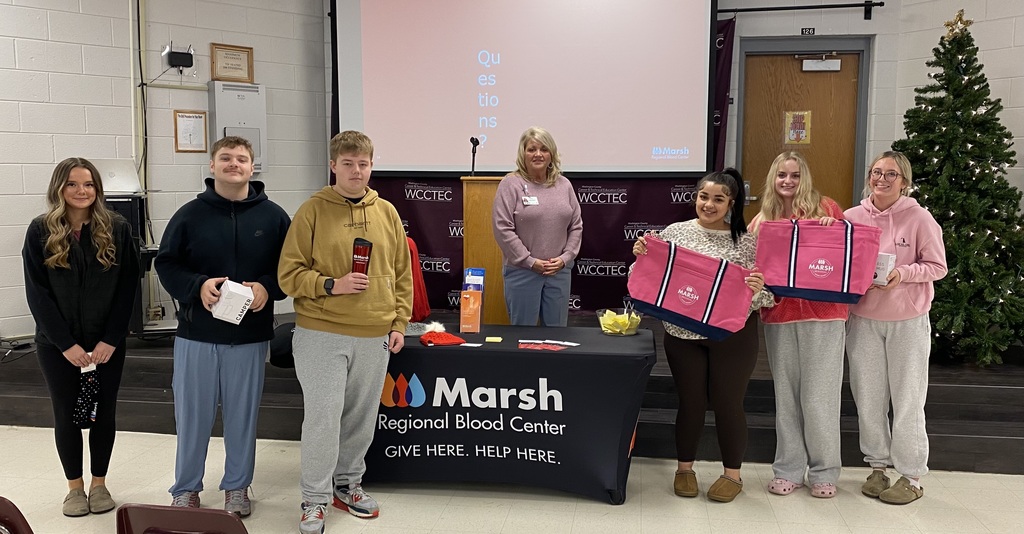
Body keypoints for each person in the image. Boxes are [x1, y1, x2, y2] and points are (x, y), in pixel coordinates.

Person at [278, 130, 412, 534]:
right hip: (323, 332)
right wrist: (331, 284)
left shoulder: (387, 212)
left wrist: (399, 321)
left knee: (360, 418)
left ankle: (348, 485)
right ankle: (313, 499)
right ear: (334, 165)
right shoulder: (312, 211)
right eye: (348, 164)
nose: (357, 171)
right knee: (323, 417)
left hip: (375, 334)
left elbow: (403, 274)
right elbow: (288, 275)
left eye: (364, 164)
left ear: (372, 166)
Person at [155, 136, 290, 516]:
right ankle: (185, 489)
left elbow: (290, 268)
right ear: (212, 166)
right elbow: (166, 264)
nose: (234, 164)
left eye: (242, 159)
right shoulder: (188, 214)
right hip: (197, 334)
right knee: (192, 415)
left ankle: (237, 487)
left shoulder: (274, 216)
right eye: (226, 158)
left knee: (242, 416)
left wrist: (268, 286)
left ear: (252, 167)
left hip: (248, 337)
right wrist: (198, 287)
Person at [631, 169, 774, 503]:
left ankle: (732, 475)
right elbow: (646, 278)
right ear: (695, 197)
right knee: (691, 404)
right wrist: (640, 256)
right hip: (682, 335)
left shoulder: (747, 242)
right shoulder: (674, 233)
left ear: (731, 204)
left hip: (733, 337)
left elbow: (768, 295)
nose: (709, 205)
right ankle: (684, 469)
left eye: (718, 199)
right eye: (703, 197)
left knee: (728, 404)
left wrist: (758, 289)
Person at [22, 157, 140, 517]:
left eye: (88, 184)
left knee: (102, 414)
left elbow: (127, 288)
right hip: (58, 346)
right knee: (67, 415)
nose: (81, 191)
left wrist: (111, 339)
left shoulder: (116, 228)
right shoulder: (40, 230)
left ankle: (99, 483)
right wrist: (66, 345)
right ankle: (74, 488)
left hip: (106, 345)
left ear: (97, 189)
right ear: (59, 188)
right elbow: (37, 294)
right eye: (72, 184)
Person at [843, 151, 947, 505]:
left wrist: (902, 274)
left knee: (907, 399)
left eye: (891, 174)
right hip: (864, 318)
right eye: (876, 172)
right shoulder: (852, 218)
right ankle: (877, 466)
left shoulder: (920, 218)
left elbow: (937, 266)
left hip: (907, 319)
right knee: (868, 397)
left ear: (904, 181)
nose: (882, 179)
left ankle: (912, 475)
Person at [748, 151, 846, 499]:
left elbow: (847, 254)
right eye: (781, 175)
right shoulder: (762, 220)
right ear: (773, 180)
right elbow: (750, 266)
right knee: (786, 396)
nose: (787, 182)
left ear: (804, 177)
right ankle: (789, 468)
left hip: (824, 316)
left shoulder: (828, 209)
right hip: (779, 315)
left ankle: (824, 471)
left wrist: (834, 231)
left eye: (794, 175)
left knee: (820, 397)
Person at [492, 127, 583, 326]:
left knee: (556, 336)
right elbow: (502, 228)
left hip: (558, 272)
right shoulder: (510, 184)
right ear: (523, 154)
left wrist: (565, 258)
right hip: (523, 272)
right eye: (531, 149)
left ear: (551, 154)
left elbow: (576, 226)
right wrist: (530, 261)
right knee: (523, 336)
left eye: (544, 149)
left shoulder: (564, 184)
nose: (538, 154)